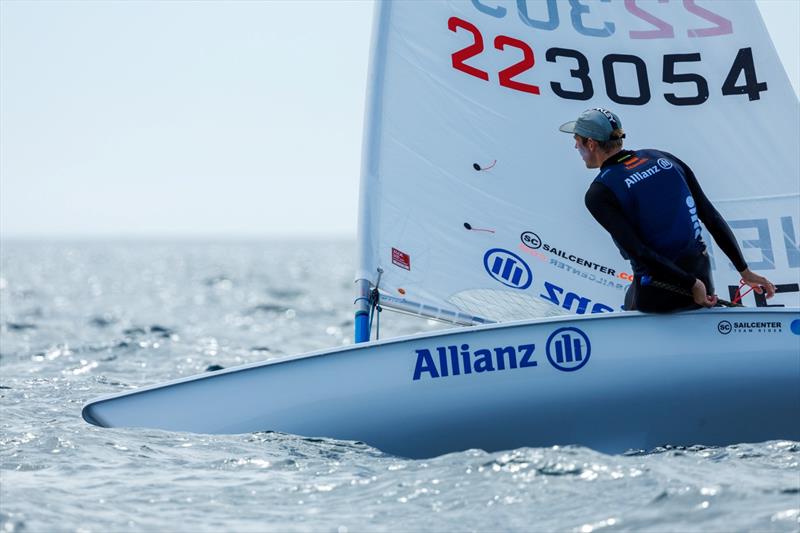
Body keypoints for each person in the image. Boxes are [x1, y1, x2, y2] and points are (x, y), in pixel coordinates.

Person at [558, 107, 776, 312]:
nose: (576, 147)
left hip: (662, 294)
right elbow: (710, 216)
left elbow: (639, 251)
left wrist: (690, 284)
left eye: (577, 141)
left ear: (591, 143)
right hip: (702, 281)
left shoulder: (600, 192)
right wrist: (743, 270)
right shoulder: (662, 157)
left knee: (630, 298)